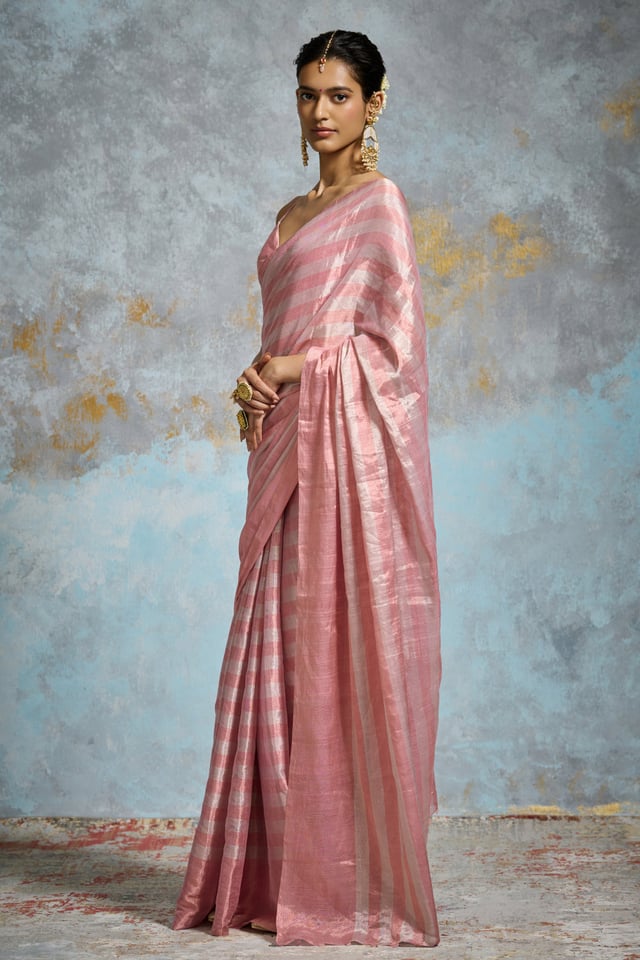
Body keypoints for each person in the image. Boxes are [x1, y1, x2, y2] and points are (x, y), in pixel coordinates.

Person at [173, 29, 441, 947]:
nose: (320, 111)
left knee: (335, 645)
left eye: (338, 95)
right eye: (307, 94)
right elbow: (284, 332)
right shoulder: (290, 211)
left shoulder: (380, 205)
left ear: (374, 103)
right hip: (284, 447)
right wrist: (260, 380)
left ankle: (342, 884)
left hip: (342, 457)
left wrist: (296, 368)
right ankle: (267, 875)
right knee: (276, 648)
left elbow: (393, 355)